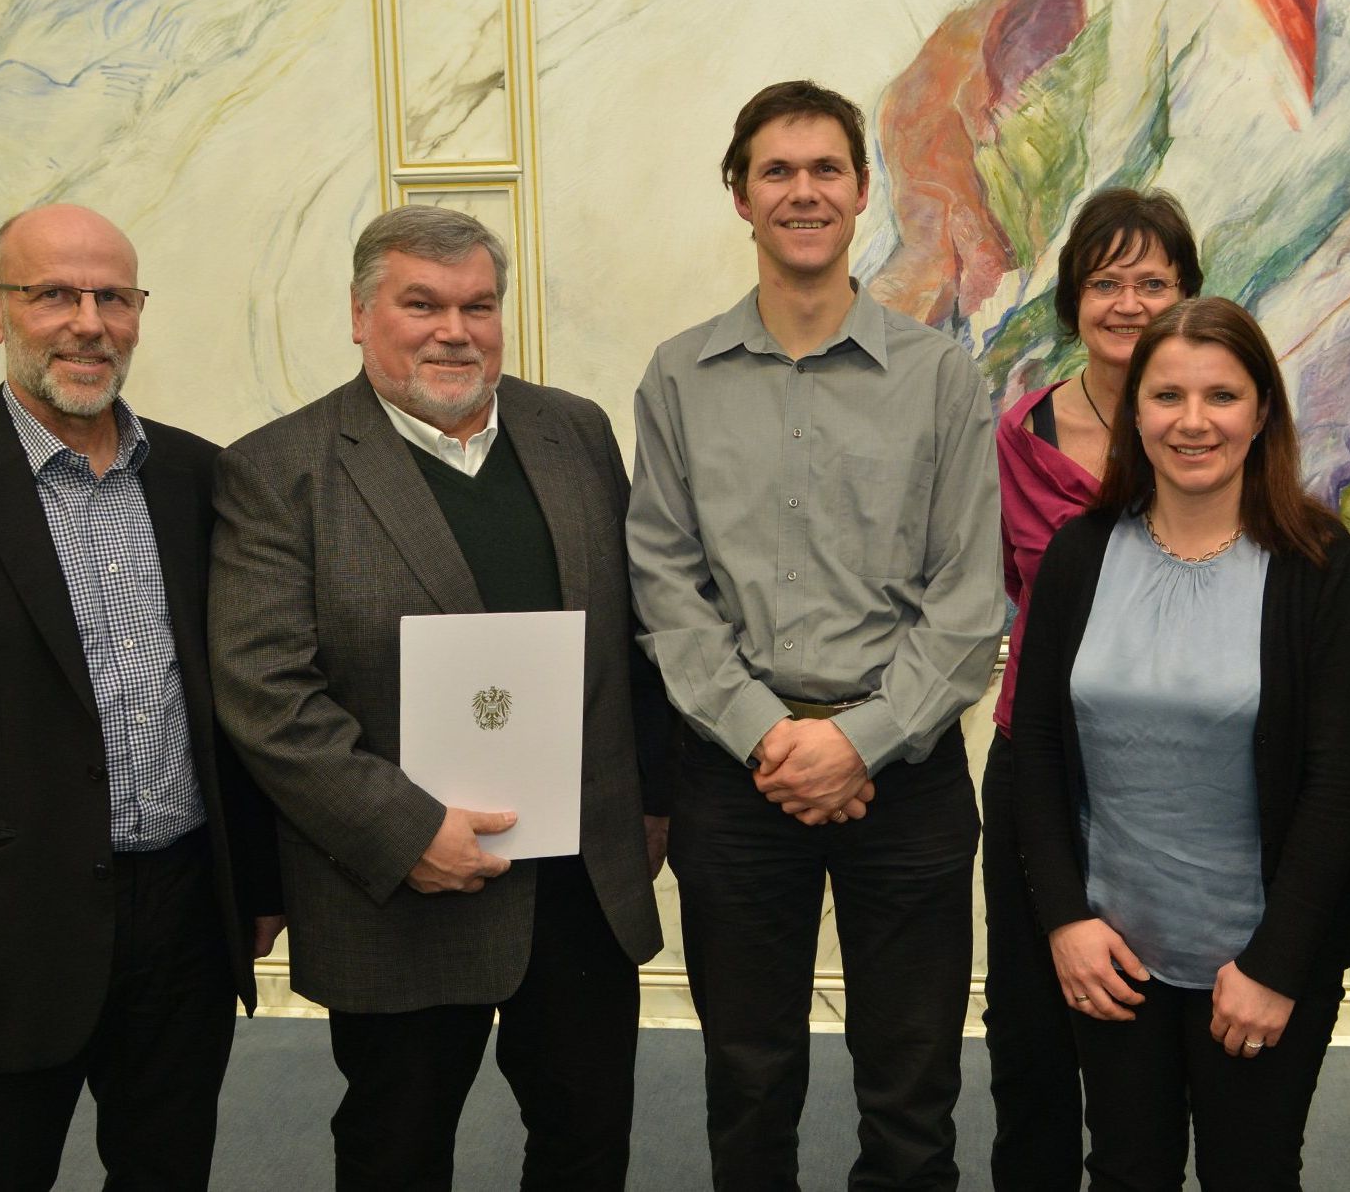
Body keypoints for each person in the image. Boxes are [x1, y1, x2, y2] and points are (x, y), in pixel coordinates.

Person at [207, 205, 666, 1191]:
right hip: (399, 893)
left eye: (478, 306)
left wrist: (652, 806)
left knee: (588, 1147)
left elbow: (634, 634)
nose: (455, 331)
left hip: (578, 886)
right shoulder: (278, 469)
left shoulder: (576, 432)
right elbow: (266, 690)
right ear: (360, 316)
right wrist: (407, 831)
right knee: (396, 1154)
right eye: (422, 305)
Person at [627, 80, 1002, 1191]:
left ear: (862, 189)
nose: (804, 191)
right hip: (734, 776)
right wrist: (769, 735)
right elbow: (664, 584)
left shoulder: (939, 376)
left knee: (914, 1089)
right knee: (747, 1085)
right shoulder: (677, 376)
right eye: (777, 171)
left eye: (826, 169)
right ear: (741, 195)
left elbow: (967, 598)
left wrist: (859, 741)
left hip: (908, 778)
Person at [1013, 296, 1350, 1190]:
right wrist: (1066, 921)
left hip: (1257, 965)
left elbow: (1341, 784)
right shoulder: (1079, 554)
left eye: (1221, 396)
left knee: (1251, 1173)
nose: (1192, 421)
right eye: (1167, 395)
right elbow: (1036, 752)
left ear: (1262, 412)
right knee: (1124, 1170)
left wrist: (1275, 966)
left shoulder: (1321, 568)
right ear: (1134, 412)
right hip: (1112, 959)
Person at [0, 204, 283, 1190]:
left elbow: (242, 695)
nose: (89, 323)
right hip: (6, 933)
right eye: (54, 294)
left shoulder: (199, 476)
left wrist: (256, 886)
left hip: (184, 920)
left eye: (113, 297)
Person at [985, 187, 1202, 1190]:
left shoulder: (1213, 432)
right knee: (1029, 1036)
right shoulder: (1017, 438)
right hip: (1038, 762)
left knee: (1150, 1042)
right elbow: (998, 585)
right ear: (1073, 298)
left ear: (1186, 296)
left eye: (1152, 282)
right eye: (1106, 282)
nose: (1128, 304)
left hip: (1174, 771)